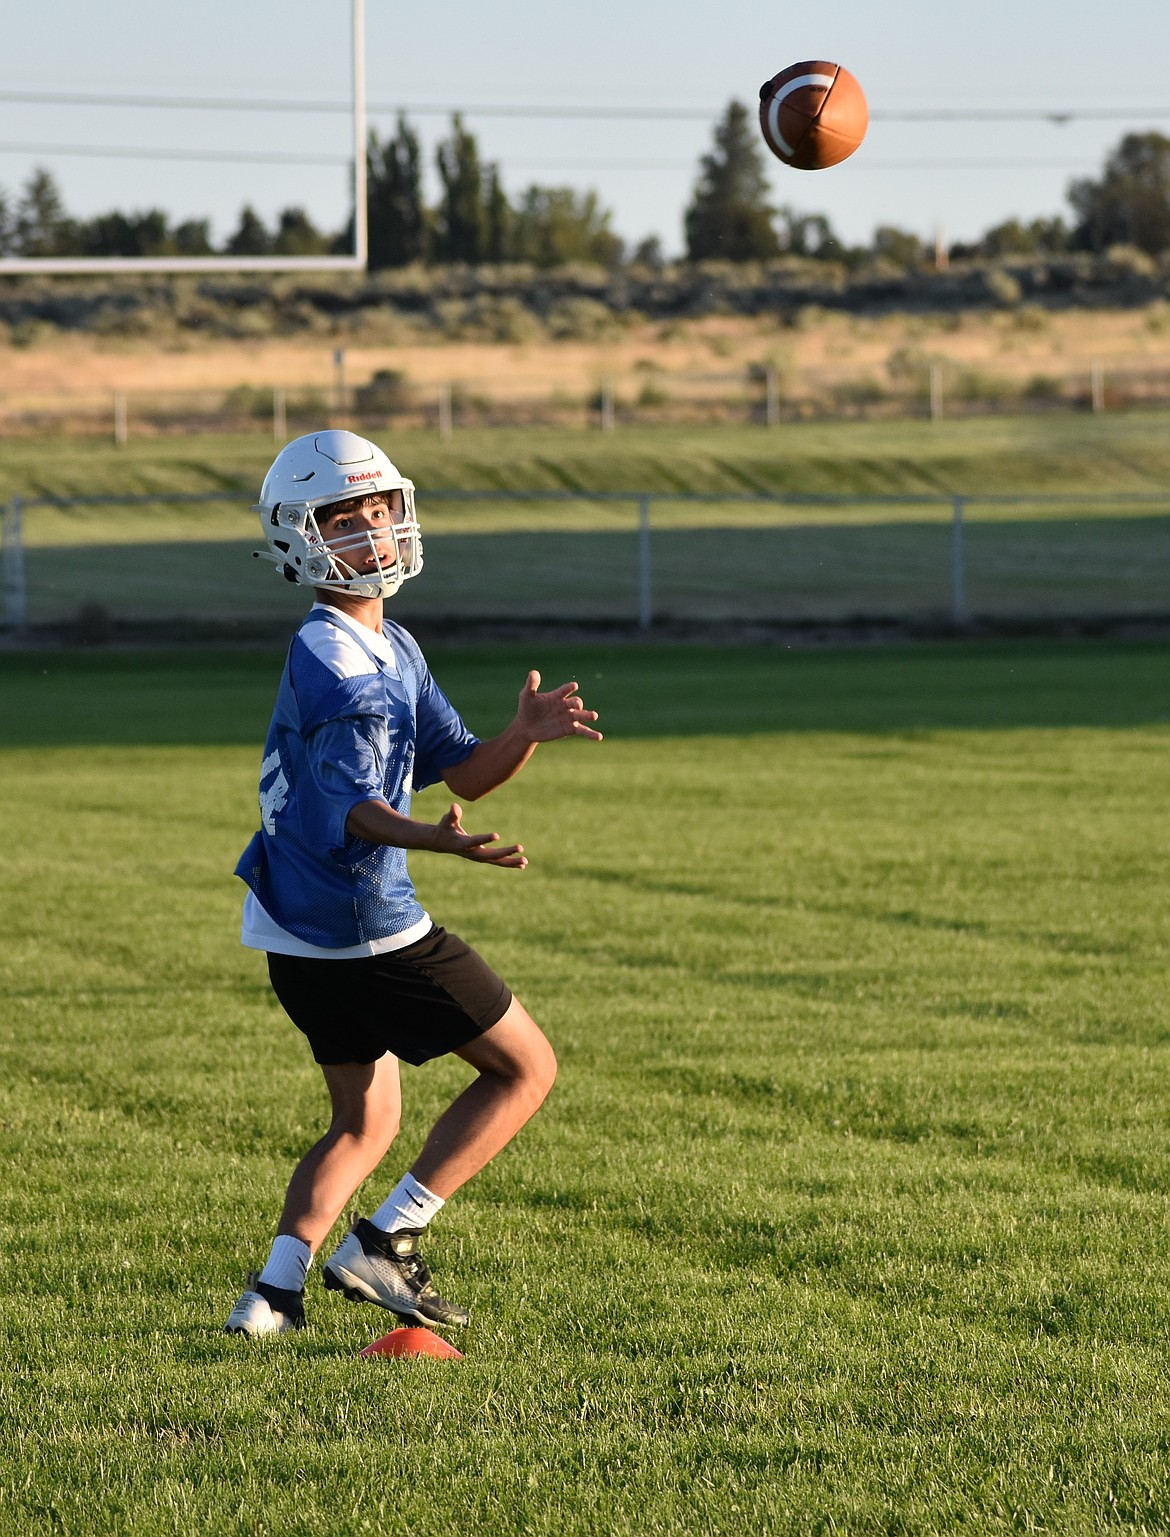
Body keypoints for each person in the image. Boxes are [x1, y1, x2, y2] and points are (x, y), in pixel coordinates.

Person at [224, 429, 602, 1338]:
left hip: (291, 927)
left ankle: (271, 1297)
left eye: (380, 510)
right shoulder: (340, 664)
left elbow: (464, 771)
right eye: (343, 519)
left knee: (365, 1119)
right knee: (526, 1068)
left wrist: (522, 734)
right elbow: (356, 809)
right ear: (299, 537)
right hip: (362, 924)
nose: (373, 533)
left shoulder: (384, 640)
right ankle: (387, 1238)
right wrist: (430, 843)